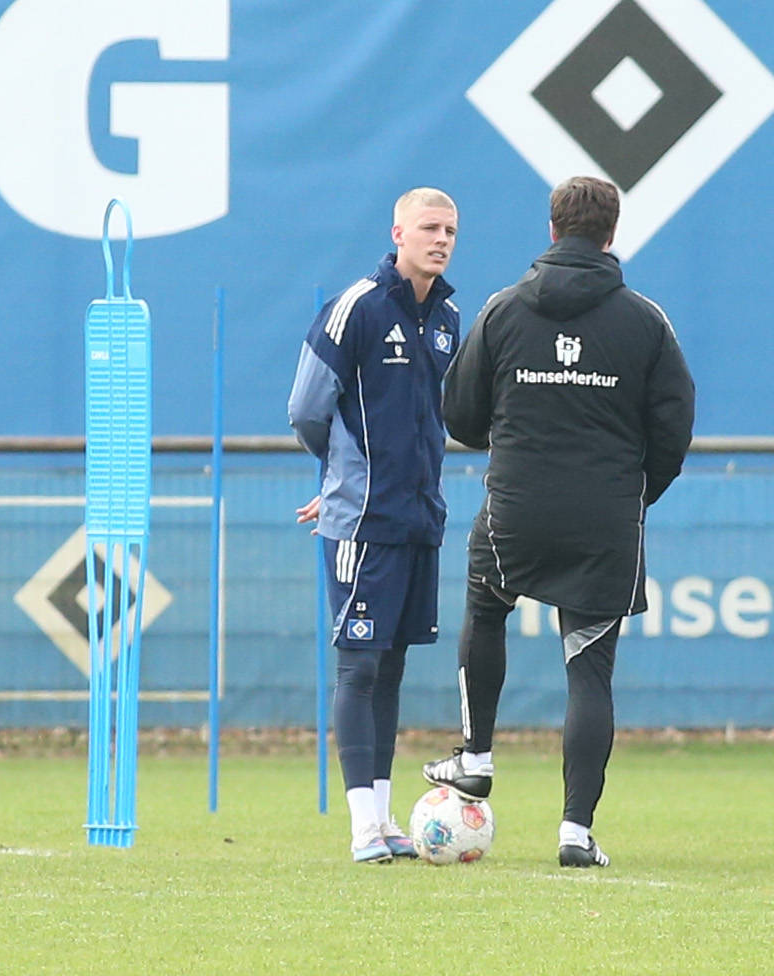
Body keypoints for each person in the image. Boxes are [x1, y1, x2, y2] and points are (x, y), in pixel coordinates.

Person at [420, 176, 695, 869]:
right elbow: (674, 430)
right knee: (589, 671)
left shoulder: (503, 311)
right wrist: (636, 496)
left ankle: (476, 757)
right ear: (610, 235)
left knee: (486, 611)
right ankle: (576, 831)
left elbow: (458, 415)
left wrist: (513, 437)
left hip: (517, 507)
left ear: (551, 230)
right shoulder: (645, 321)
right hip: (605, 521)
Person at [288, 188, 462, 863]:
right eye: (428, 227)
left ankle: (386, 821)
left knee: (391, 668)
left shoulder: (447, 316)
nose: (440, 239)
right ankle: (362, 826)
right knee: (357, 667)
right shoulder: (357, 307)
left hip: (419, 519)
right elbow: (306, 406)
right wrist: (339, 476)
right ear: (397, 231)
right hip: (362, 521)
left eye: (449, 229)